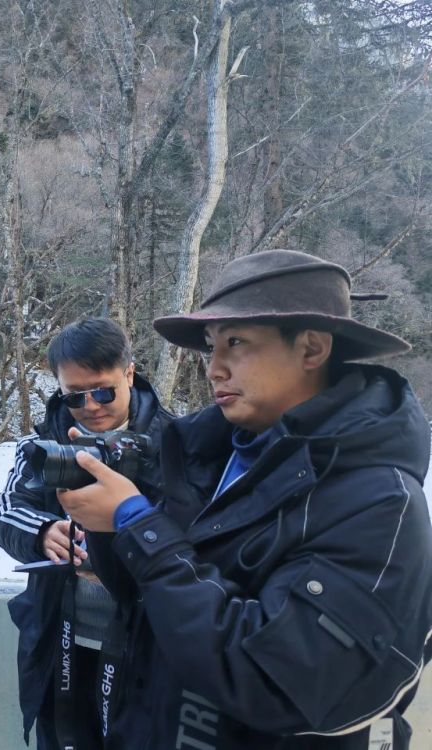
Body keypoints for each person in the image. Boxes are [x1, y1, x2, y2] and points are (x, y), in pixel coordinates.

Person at [58, 249, 432, 749]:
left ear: (312, 349)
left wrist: (137, 523)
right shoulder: (205, 455)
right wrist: (108, 528)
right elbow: (149, 600)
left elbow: (273, 680)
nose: (214, 369)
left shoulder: (381, 502)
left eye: (236, 343)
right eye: (210, 347)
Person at [0, 317, 172, 750]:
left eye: (103, 391)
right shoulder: (41, 444)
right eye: (74, 396)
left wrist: (121, 550)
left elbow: (192, 534)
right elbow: (6, 510)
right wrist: (43, 532)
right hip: (60, 639)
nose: (90, 405)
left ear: (129, 374)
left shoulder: (176, 443)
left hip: (147, 645)